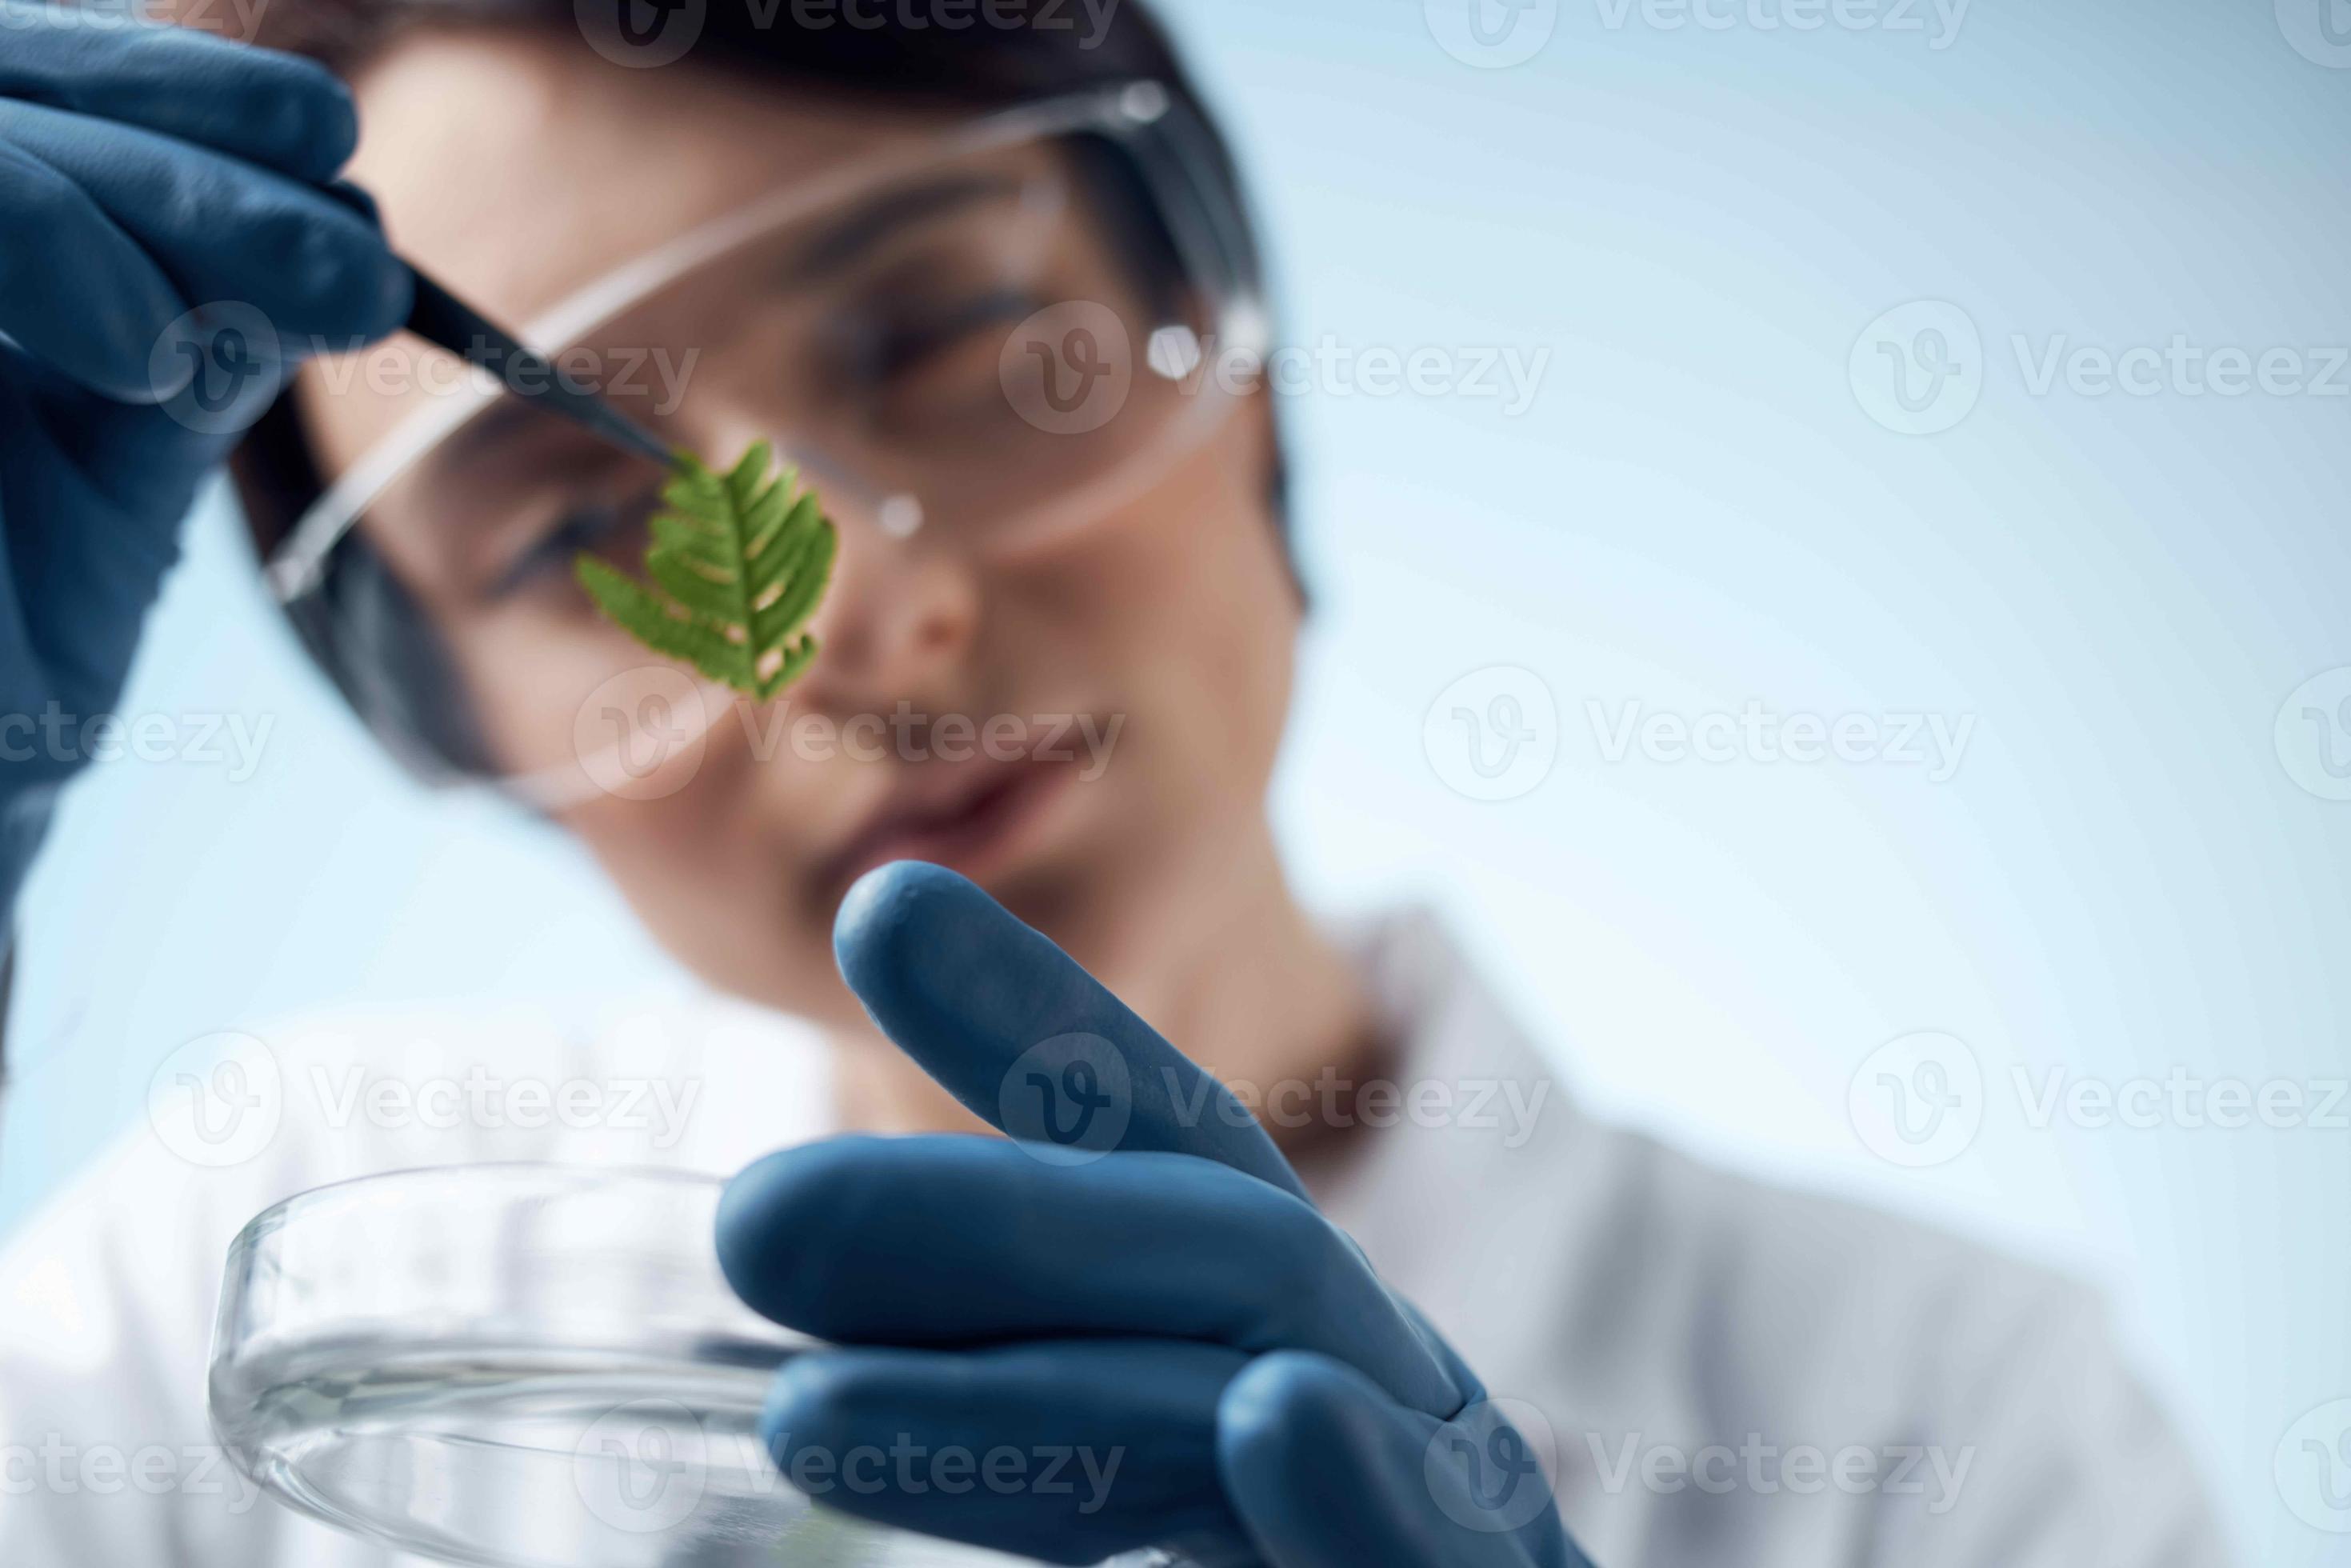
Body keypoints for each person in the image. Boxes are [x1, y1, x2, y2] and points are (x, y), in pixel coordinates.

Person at [0, 2, 2225, 1565]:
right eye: (585, 537)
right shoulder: (265, 1290)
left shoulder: (1941, 1419)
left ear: (1243, 381)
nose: (855, 618)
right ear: (451, 722)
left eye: (976, 341)